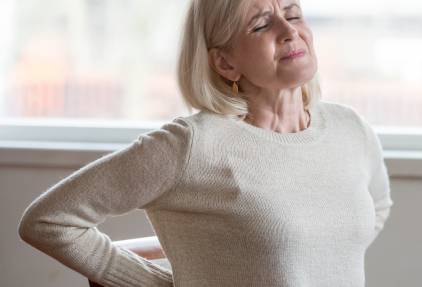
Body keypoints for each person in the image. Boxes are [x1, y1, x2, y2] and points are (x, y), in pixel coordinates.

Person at [17, 0, 394, 286]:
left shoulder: (350, 128)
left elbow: (377, 205)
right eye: (262, 24)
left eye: (293, 14)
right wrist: (156, 283)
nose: (288, 30)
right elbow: (49, 221)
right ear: (226, 64)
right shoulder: (192, 146)